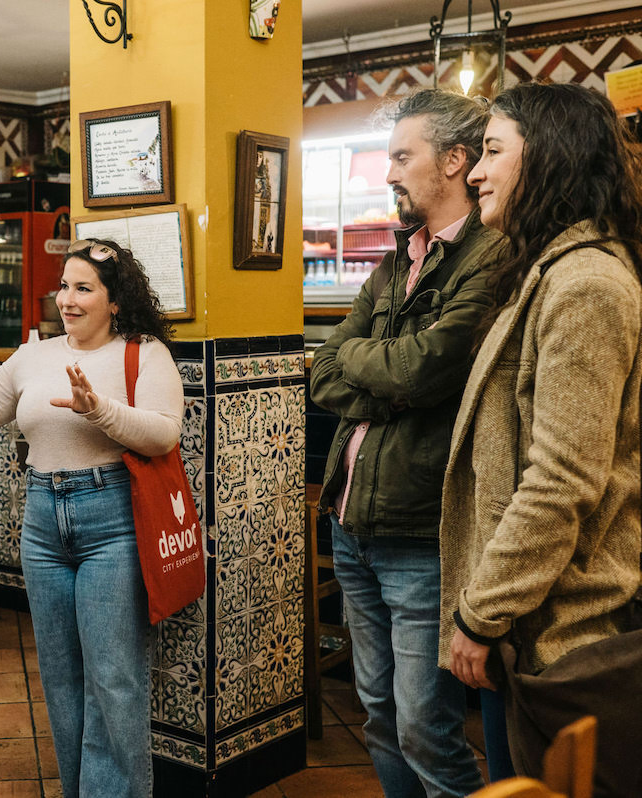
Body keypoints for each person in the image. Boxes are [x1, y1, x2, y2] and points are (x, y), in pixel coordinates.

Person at [0, 238, 183, 797]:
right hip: (41, 522)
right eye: (64, 286)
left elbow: (163, 434)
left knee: (114, 679)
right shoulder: (36, 354)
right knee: (60, 678)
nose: (67, 300)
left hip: (113, 521)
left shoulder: (143, 351)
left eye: (84, 289)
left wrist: (98, 410)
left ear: (115, 301)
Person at [441, 82, 641, 788]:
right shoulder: (551, 272)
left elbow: (560, 482)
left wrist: (480, 615)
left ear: (549, 158)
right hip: (529, 625)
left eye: (493, 150)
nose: (474, 171)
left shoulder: (586, 282)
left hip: (561, 636)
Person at [310, 88, 502, 797]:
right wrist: (387, 377)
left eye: (400, 156)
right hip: (352, 523)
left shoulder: (491, 256)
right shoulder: (398, 260)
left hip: (422, 532)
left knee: (427, 725)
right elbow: (324, 370)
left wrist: (385, 370)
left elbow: (428, 369)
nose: (387, 171)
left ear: (454, 161)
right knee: (381, 717)